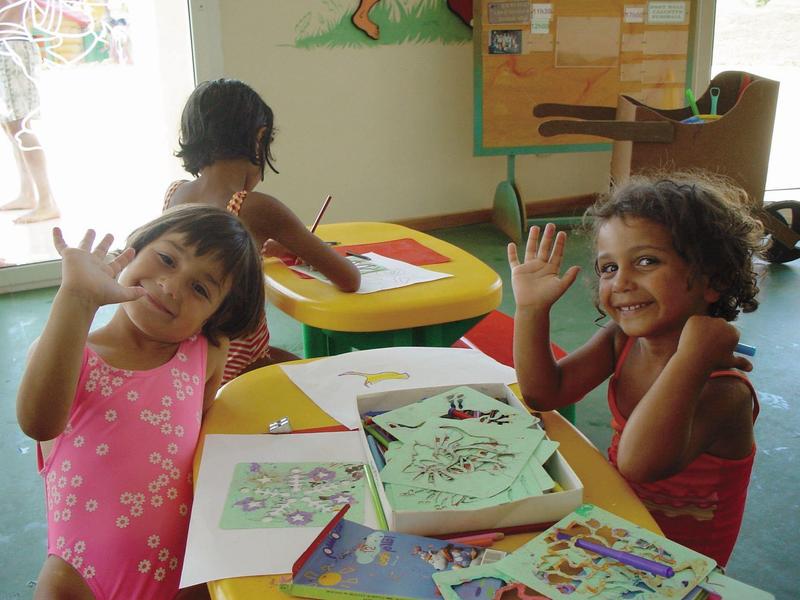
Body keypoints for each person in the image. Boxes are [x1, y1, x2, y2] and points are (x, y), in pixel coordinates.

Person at [507, 172, 764, 567]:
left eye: (646, 261)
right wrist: (531, 309)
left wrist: (691, 359)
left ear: (715, 278)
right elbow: (546, 392)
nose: (621, 281)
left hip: (679, 563)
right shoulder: (621, 342)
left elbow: (640, 465)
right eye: (608, 268)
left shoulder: (723, 389)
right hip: (618, 524)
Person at [16, 205, 264, 599]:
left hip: (186, 574)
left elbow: (200, 447)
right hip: (78, 580)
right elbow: (37, 423)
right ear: (134, 248)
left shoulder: (207, 352)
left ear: (213, 316)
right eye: (166, 259)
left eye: (201, 289)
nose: (170, 286)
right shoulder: (71, 353)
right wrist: (75, 299)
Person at [164, 78, 360, 383]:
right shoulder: (253, 207)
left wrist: (270, 248)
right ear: (259, 138)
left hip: (184, 360)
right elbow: (349, 278)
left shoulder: (175, 194)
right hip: (233, 368)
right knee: (327, 380)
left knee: (288, 359)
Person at [0, 0, 60, 223]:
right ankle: (29, 193)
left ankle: (47, 200)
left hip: (10, 44)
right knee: (11, 126)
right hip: (10, 43)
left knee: (19, 126)